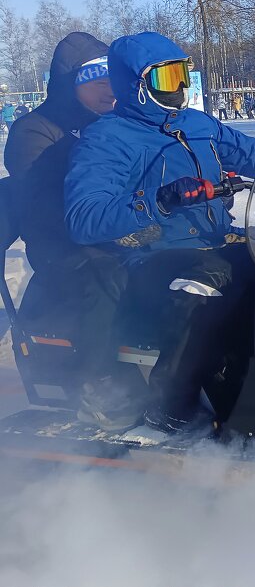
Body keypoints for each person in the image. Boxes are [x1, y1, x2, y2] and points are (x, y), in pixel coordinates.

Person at [65, 32, 255, 433]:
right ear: (137, 86)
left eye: (183, 75)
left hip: (214, 242)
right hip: (153, 255)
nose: (181, 88)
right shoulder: (107, 139)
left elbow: (251, 155)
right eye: (166, 79)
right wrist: (161, 199)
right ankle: (172, 405)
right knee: (209, 284)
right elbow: (84, 217)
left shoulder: (196, 123)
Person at [2, 33, 135, 429]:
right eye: (99, 83)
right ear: (70, 83)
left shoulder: (115, 124)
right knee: (108, 273)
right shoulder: (33, 130)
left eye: (113, 81)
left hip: (115, 230)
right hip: (59, 243)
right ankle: (97, 386)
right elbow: (43, 206)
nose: (110, 92)